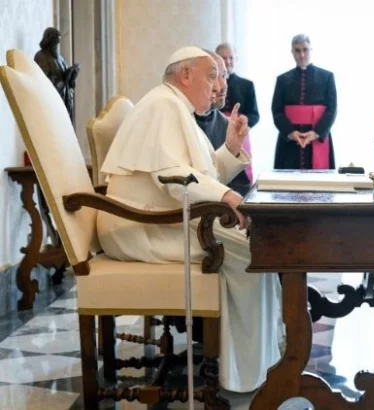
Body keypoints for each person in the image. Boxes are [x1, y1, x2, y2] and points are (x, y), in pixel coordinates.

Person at [97, 46, 283, 394]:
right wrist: (226, 196)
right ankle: (247, 375)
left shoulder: (177, 109)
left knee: (259, 247)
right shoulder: (163, 105)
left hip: (161, 219)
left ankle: (263, 363)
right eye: (211, 75)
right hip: (140, 227)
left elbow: (199, 174)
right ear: (185, 76)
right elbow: (171, 178)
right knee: (255, 252)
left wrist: (230, 148)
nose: (217, 86)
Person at [271, 34, 337, 170]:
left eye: (305, 50)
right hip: (290, 141)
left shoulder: (327, 77)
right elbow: (276, 110)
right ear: (292, 52)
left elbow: (332, 109)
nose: (301, 55)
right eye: (297, 50)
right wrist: (291, 132)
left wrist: (316, 132)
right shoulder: (282, 80)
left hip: (317, 137)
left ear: (311, 50)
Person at [195, 50, 253, 196]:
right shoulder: (181, 118)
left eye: (224, 76)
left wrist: (232, 150)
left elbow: (239, 186)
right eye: (214, 77)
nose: (222, 86)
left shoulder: (224, 123)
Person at [34, 27, 79, 123]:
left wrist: (71, 77)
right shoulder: (41, 57)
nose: (57, 45)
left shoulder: (60, 58)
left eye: (58, 42)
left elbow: (68, 83)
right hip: (52, 105)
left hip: (65, 102)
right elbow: (43, 84)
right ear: (48, 41)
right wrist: (63, 80)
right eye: (55, 42)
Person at [215, 42, 259, 127]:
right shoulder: (209, 84)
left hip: (239, 130)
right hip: (215, 129)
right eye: (224, 58)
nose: (228, 61)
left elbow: (254, 115)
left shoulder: (247, 85)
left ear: (236, 59)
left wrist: (244, 120)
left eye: (231, 58)